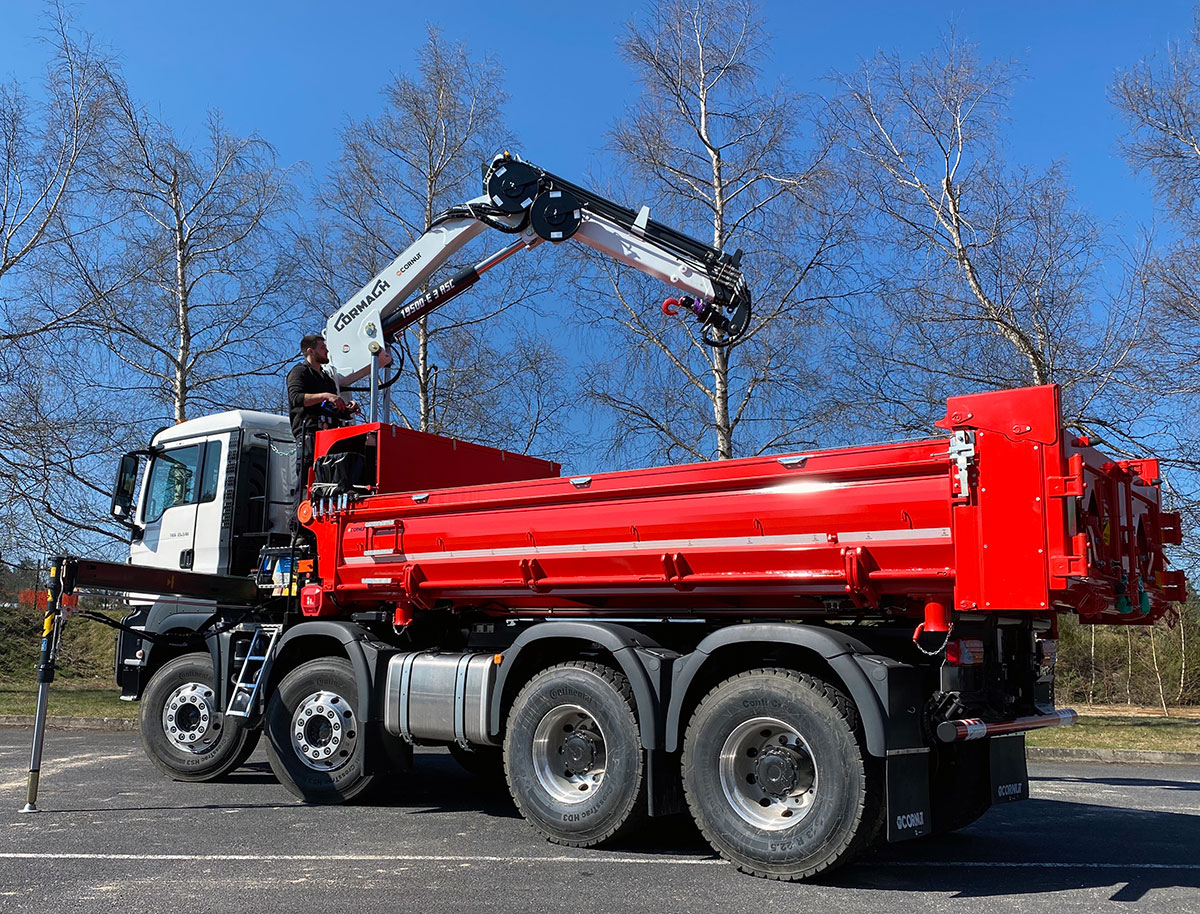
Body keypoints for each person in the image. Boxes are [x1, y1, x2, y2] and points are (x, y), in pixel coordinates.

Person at [286, 333, 358, 532]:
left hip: (330, 437)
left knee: (330, 480)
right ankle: (298, 528)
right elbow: (297, 398)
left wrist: (346, 409)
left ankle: (325, 525)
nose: (326, 351)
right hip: (309, 434)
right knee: (306, 482)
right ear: (310, 351)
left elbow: (330, 407)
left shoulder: (325, 378)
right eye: (322, 348)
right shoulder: (299, 372)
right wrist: (326, 395)